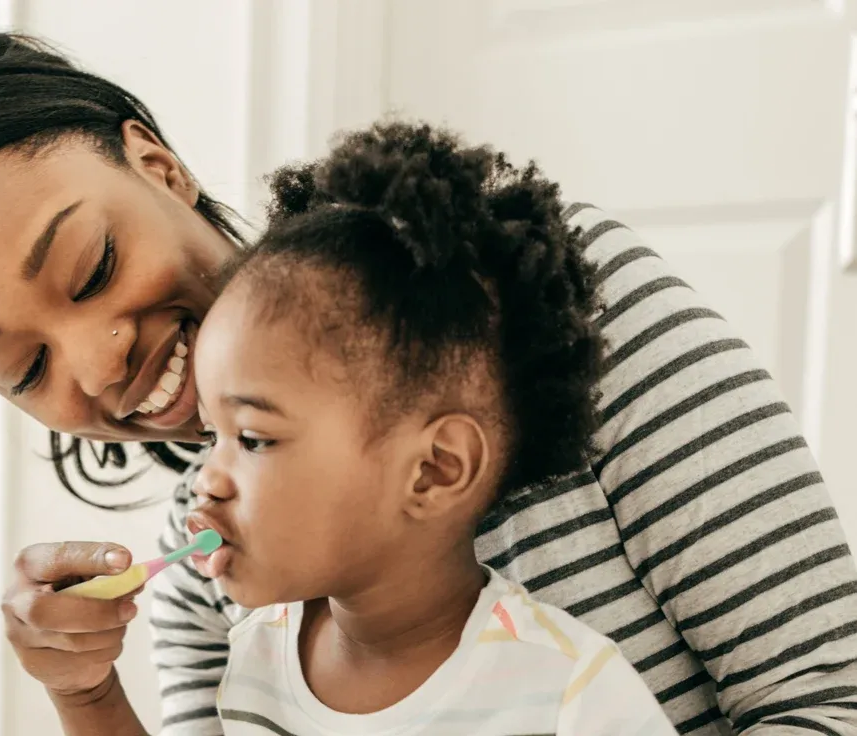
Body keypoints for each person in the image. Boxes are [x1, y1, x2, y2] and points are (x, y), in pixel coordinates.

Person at [0, 32, 857, 735]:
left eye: (92, 267)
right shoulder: (208, 576)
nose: (99, 359)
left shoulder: (546, 308)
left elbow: (829, 695)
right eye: (25, 367)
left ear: (156, 167)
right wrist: (82, 690)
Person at [178, 119, 677, 735]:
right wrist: (86, 692)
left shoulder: (566, 692)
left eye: (252, 439)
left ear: (434, 469)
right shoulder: (255, 660)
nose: (207, 481)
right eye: (211, 437)